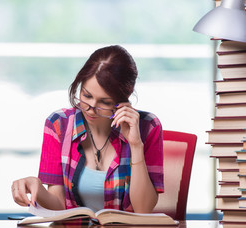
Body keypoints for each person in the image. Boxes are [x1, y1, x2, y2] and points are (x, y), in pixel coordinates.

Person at [11, 45, 163, 213]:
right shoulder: (58, 124)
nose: (91, 108)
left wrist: (135, 145)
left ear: (124, 98)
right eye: (86, 95)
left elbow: (143, 209)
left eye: (104, 102)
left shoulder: (148, 126)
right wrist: (37, 188)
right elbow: (59, 206)